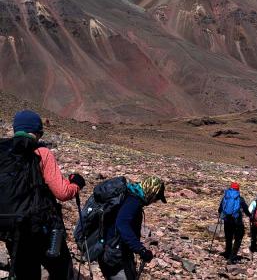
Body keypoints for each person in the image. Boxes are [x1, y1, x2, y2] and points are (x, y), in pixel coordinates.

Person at [0, 110, 86, 280]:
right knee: (62, 271)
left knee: (26, 274)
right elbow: (62, 192)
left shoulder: (3, 152)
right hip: (40, 229)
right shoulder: (41, 153)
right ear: (38, 132)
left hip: (11, 228)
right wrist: (76, 184)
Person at [99, 176, 167, 280]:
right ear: (151, 192)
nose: (154, 201)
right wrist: (140, 250)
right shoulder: (133, 201)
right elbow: (122, 224)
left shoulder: (130, 195)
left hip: (111, 248)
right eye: (156, 197)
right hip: (115, 253)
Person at [218, 182, 251, 264]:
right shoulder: (240, 199)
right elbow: (247, 211)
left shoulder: (225, 197)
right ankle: (232, 257)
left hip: (227, 221)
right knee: (238, 238)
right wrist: (250, 215)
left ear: (230, 188)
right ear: (238, 189)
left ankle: (227, 253)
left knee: (228, 237)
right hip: (237, 222)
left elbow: (220, 210)